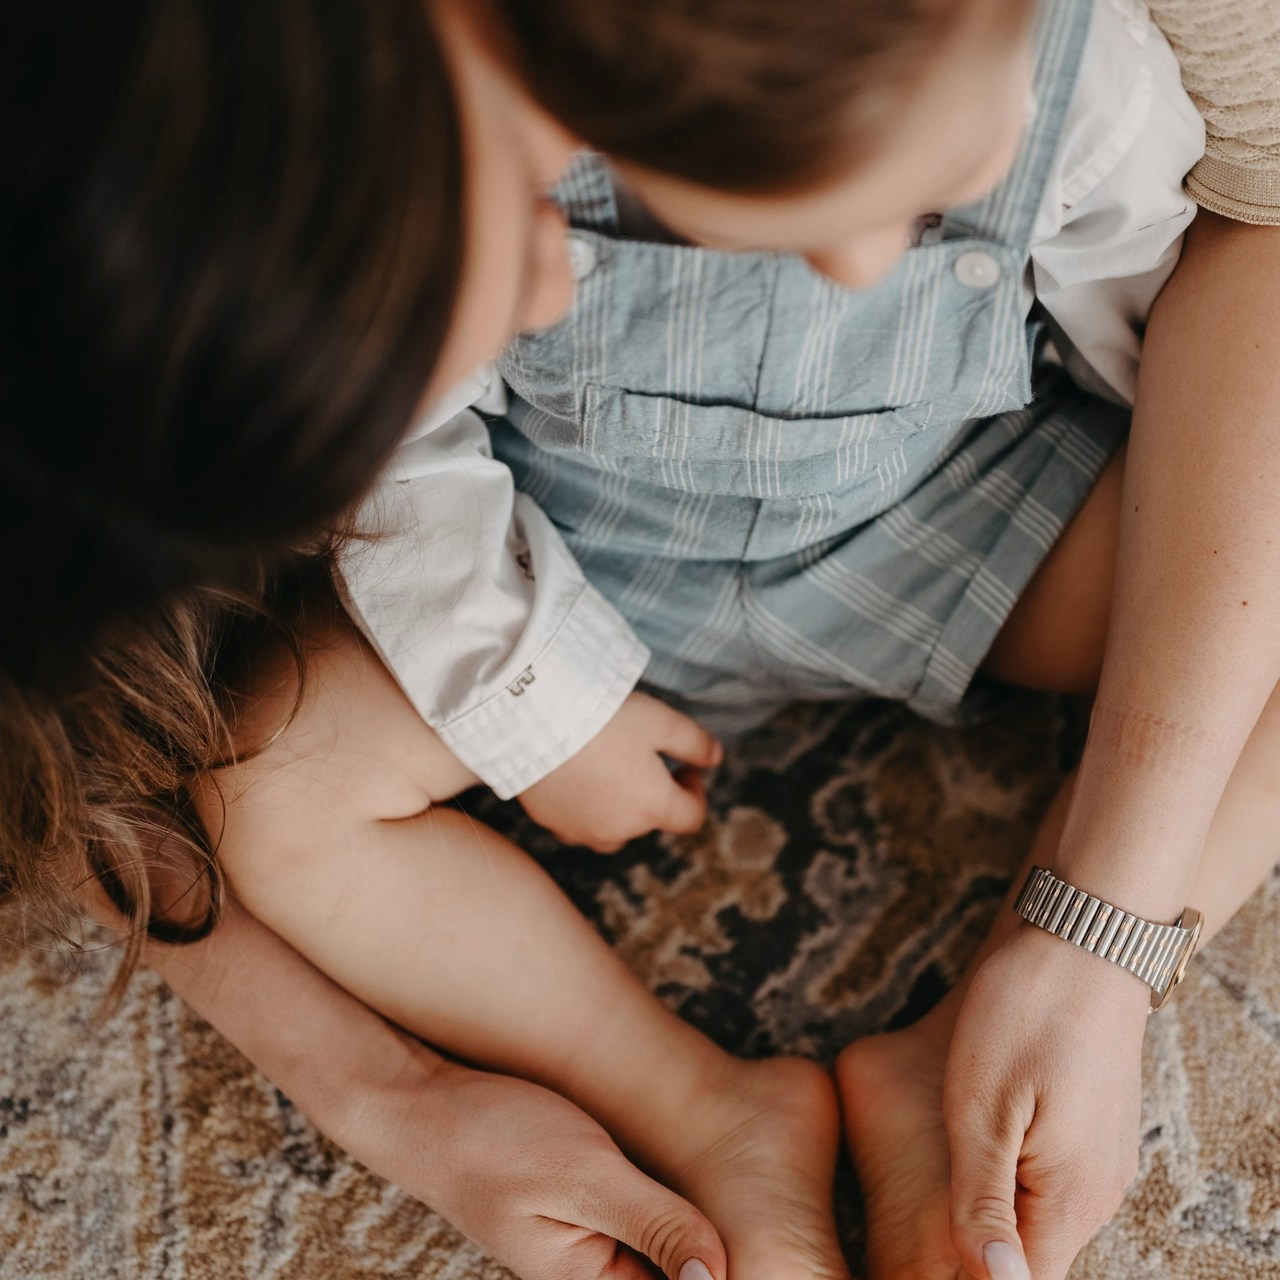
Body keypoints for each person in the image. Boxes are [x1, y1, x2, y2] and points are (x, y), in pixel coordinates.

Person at [3, 6, 1278, 1280]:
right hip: (570, 556)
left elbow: (1182, 352)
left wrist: (1098, 938)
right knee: (269, 781)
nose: (857, 263)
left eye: (934, 205)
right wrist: (536, 695)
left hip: (960, 515)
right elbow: (406, 460)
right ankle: (708, 1108)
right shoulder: (399, 150)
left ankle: (968, 1052)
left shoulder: (1085, 70)